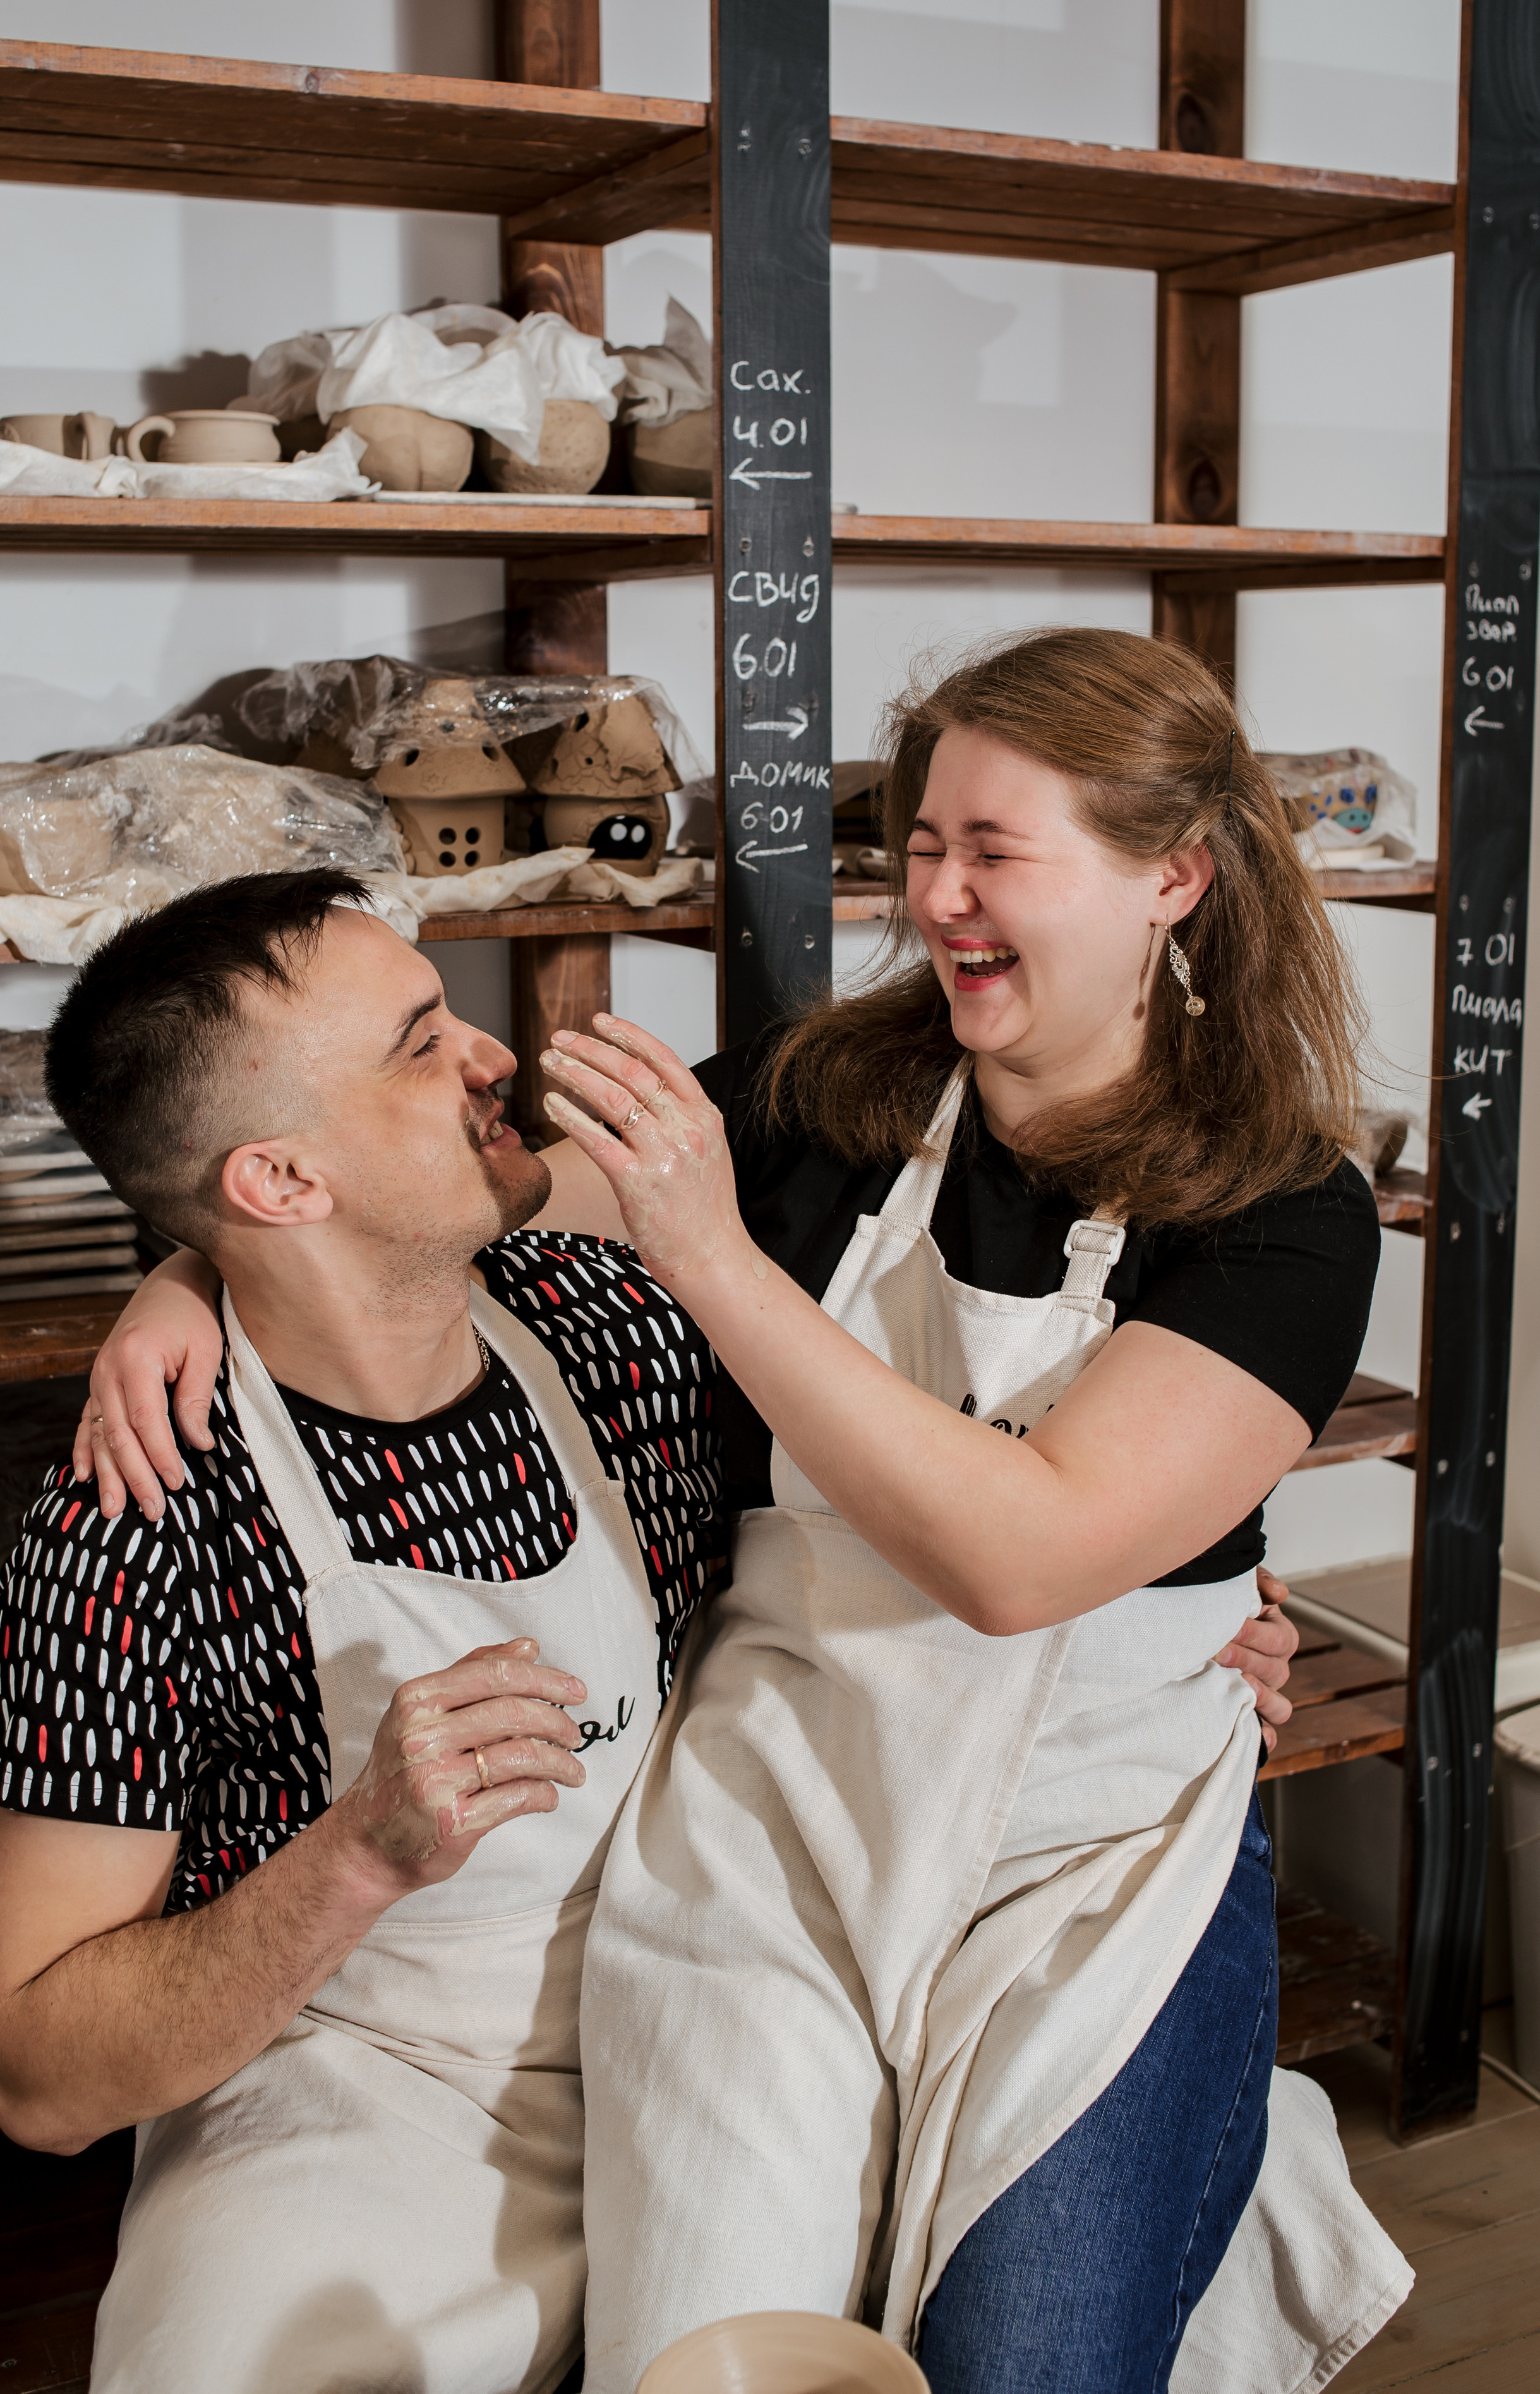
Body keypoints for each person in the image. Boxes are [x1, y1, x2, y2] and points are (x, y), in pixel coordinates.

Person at [524, 629, 1410, 2393]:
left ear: (1175, 875)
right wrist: (205, 1268)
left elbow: (1022, 1559)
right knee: (716, 2357)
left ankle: (1199, 2141)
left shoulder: (1286, 1207)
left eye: (995, 851)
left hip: (1087, 1857)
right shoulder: (822, 1098)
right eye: (922, 843)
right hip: (781, 1822)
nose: (937, 896)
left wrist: (711, 1259)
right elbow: (498, 1203)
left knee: (1022, 2364)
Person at [0, 868, 728, 2394]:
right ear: (281, 1182)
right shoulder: (137, 1517)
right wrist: (360, 1850)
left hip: (707, 2006)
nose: (494, 1053)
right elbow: (36, 2072)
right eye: (421, 1039)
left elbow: (889, 1522)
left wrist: (1162, 1615)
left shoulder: (613, 1315)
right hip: (369, 2088)